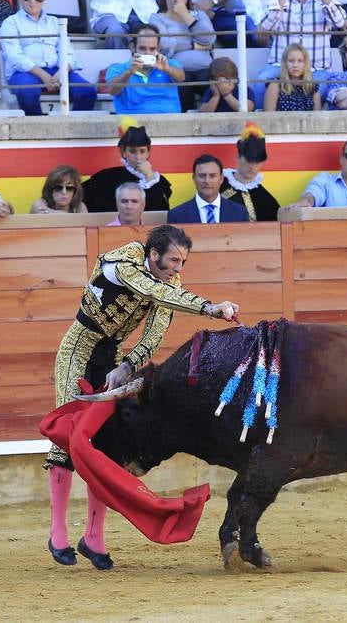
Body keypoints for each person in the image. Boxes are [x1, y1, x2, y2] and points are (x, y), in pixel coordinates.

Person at [45, 224, 239, 569]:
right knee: (66, 438)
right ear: (153, 255)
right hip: (78, 349)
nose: (178, 269)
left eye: (183, 262)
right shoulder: (123, 261)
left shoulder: (169, 283)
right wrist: (209, 308)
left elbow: (154, 334)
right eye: (174, 261)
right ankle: (57, 531)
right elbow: (148, 289)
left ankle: (93, 536)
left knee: (103, 447)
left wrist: (128, 365)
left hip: (112, 358)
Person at [255, 0, 346, 109]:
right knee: (261, 82)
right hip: (280, 66)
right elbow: (267, 28)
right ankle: (259, 128)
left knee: (320, 89)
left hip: (317, 69)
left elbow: (339, 22)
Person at [0, 0, 97, 116]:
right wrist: (44, 76)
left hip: (57, 70)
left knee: (87, 92)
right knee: (27, 92)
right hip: (26, 72)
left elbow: (68, 53)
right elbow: (14, 56)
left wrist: (61, 72)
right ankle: (37, 131)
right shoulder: (10, 23)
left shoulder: (55, 22)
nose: (33, 1)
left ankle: (69, 130)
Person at [149, 0, 214, 111]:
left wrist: (185, 15)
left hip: (204, 68)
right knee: (183, 88)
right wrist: (193, 44)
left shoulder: (199, 15)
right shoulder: (156, 18)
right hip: (176, 71)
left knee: (214, 85)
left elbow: (208, 38)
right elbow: (164, 45)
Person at [82, 119, 172, 212]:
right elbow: (78, 195)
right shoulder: (105, 177)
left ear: (148, 153)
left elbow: (161, 212)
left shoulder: (160, 181)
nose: (138, 157)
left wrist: (149, 176)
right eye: (132, 151)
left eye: (142, 151)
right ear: (124, 152)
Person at [105, 24, 185, 114]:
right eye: (142, 48)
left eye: (152, 49)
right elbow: (112, 90)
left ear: (158, 48)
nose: (147, 53)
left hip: (168, 120)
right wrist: (129, 72)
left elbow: (181, 78)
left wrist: (167, 69)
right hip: (133, 122)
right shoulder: (118, 68)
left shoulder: (169, 64)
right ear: (132, 47)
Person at [219, 122, 281, 222]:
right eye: (248, 160)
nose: (252, 166)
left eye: (257, 162)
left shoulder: (266, 200)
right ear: (238, 156)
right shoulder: (217, 184)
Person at [167, 154, 249, 223]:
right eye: (202, 176)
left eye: (212, 176)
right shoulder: (176, 215)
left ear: (221, 179)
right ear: (194, 178)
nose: (207, 181)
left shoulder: (240, 213)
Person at [263, 43, 321, 112]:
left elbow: (317, 118)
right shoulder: (275, 85)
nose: (295, 65)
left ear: (305, 63)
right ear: (285, 63)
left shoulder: (313, 87)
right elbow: (269, 117)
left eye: (300, 61)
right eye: (291, 61)